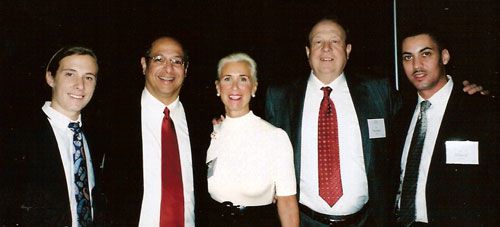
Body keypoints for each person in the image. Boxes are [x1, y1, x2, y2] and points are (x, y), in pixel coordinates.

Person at [265, 15, 401, 226]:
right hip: (305, 221)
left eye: (335, 41)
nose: (326, 48)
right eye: (318, 42)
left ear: (347, 50)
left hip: (367, 221)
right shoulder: (280, 98)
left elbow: (414, 119)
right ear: (308, 52)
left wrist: (462, 93)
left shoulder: (378, 91)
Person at [392, 26, 499, 226]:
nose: (416, 65)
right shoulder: (400, 116)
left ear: (445, 57)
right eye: (408, 57)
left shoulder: (482, 110)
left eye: (425, 54)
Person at [103, 36, 209, 226]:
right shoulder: (114, 119)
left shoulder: (202, 122)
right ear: (144, 65)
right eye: (159, 59)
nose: (168, 69)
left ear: (186, 69)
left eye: (176, 61)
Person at [0, 46, 105, 226]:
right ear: (50, 77)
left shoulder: (98, 137)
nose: (80, 85)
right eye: (70, 74)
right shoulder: (15, 136)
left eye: (89, 77)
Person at [206, 53, 299, 227]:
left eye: (243, 79)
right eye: (227, 79)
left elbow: (287, 203)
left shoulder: (275, 137)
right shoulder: (208, 135)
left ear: (254, 87)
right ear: (218, 88)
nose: (235, 87)